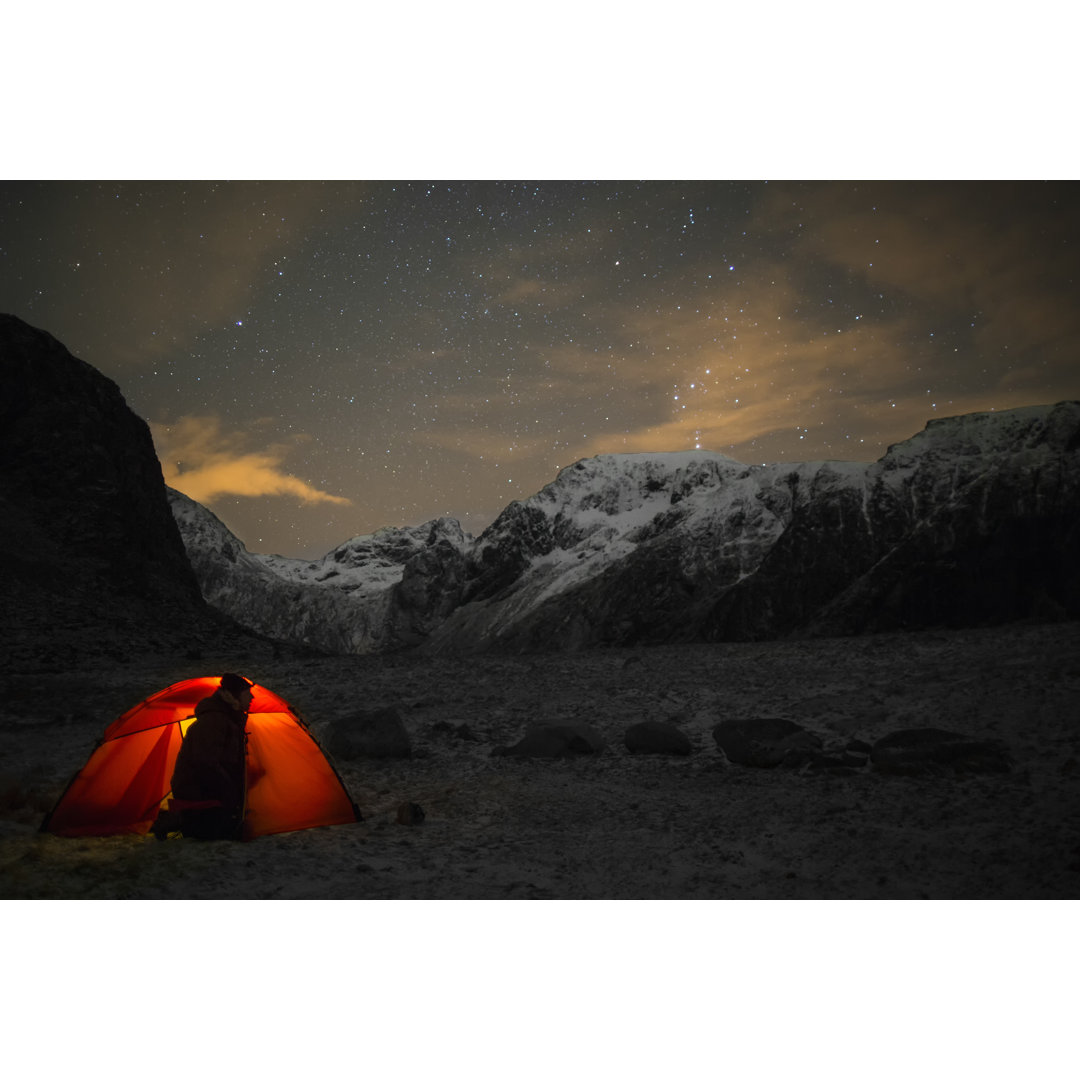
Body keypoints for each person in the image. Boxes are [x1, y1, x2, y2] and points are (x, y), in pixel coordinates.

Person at [168, 672, 254, 840]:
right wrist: (232, 792)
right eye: (247, 693)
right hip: (199, 795)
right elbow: (205, 764)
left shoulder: (227, 719)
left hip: (209, 790)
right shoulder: (214, 721)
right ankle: (178, 820)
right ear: (233, 696)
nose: (252, 698)